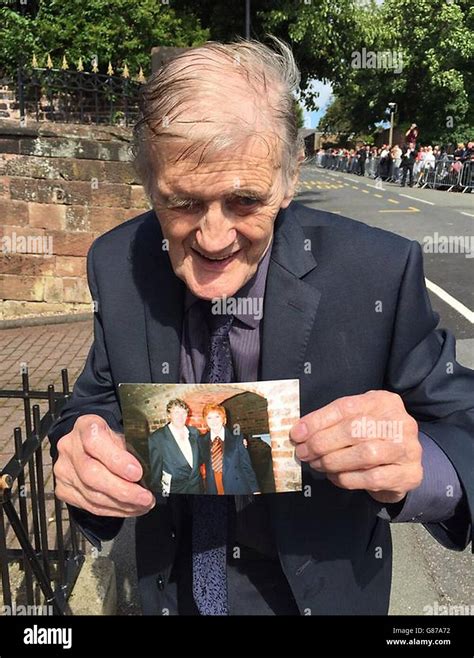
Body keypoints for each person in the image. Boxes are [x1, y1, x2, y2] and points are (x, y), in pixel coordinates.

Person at [49, 38, 473, 617]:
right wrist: (81, 457)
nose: (214, 238)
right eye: (182, 204)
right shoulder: (116, 263)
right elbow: (94, 403)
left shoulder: (378, 272)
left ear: (290, 176)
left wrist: (421, 462)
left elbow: (462, 423)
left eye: (246, 201)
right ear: (149, 185)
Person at [199, 404, 259, 495]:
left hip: (237, 487)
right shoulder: (201, 440)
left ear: (224, 419)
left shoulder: (237, 438)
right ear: (205, 421)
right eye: (209, 418)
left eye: (217, 416)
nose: (213, 421)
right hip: (213, 488)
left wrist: (255, 490)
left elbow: (247, 467)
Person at [148, 399, 203, 495]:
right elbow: (156, 472)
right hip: (174, 488)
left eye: (183, 412)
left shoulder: (194, 432)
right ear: (169, 415)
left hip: (196, 486)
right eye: (176, 412)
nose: (180, 416)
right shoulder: (157, 438)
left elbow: (200, 458)